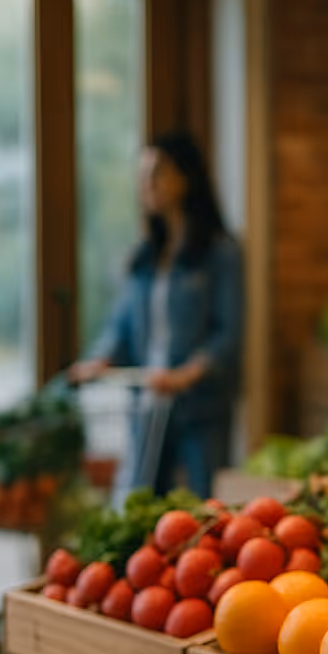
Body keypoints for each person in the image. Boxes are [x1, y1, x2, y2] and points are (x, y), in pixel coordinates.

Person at [71, 131, 243, 497]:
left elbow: (228, 335)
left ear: (186, 179)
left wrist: (185, 375)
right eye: (142, 174)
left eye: (157, 173)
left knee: (203, 506)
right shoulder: (143, 259)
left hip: (200, 409)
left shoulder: (221, 254)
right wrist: (99, 360)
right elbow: (121, 326)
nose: (146, 184)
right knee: (141, 502)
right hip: (148, 405)